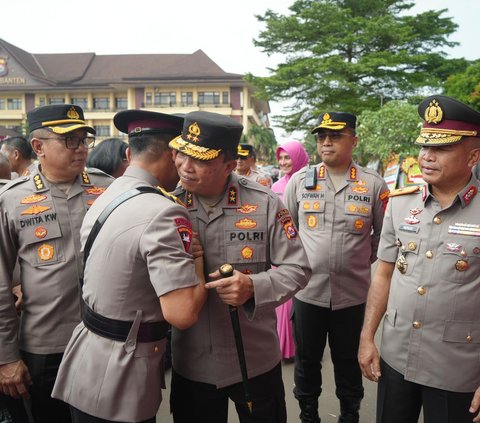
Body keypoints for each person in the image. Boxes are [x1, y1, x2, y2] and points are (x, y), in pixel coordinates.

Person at [52, 110, 207, 423]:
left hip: (87, 357)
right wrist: (198, 259)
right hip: (121, 374)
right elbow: (182, 313)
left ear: (129, 152)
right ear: (174, 154)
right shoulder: (165, 212)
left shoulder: (108, 193)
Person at [168, 110, 311, 423]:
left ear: (229, 165)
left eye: (200, 160)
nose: (185, 167)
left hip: (254, 357)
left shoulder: (265, 203)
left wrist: (253, 287)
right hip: (192, 362)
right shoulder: (166, 205)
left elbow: (298, 268)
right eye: (181, 154)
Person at [358, 95, 480, 423]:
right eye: (424, 146)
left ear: (473, 155)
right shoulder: (399, 204)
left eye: (440, 148)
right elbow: (383, 276)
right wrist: (367, 337)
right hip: (397, 358)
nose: (426, 157)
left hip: (456, 369)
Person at [0, 104, 114, 423]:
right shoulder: (12, 200)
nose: (80, 148)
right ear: (38, 147)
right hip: (45, 346)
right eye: (69, 140)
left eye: (83, 140)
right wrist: (6, 358)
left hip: (104, 341)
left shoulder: (107, 189)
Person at [283, 112, 390, 423]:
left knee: (348, 361)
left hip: (352, 297)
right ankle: (308, 414)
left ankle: (349, 414)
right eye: (320, 137)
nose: (326, 142)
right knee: (307, 361)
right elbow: (287, 231)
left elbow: (384, 237)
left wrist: (355, 262)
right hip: (307, 293)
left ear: (353, 141)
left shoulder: (373, 184)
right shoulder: (300, 181)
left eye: (335, 136)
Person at [271, 141, 309, 361]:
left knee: (298, 301)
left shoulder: (309, 184)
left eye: (288, 157)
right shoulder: (275, 187)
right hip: (279, 249)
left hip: (302, 250)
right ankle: (283, 347)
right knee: (281, 301)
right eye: (281, 158)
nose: (284, 162)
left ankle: (296, 346)